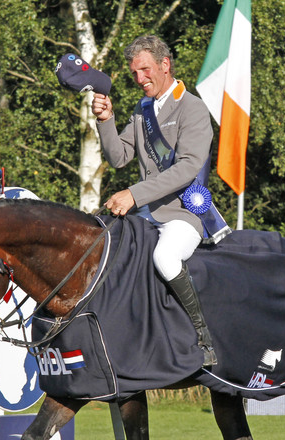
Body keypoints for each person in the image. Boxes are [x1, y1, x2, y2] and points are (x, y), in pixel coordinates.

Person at [91, 35, 217, 366]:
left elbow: (188, 168)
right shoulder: (141, 110)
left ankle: (203, 338)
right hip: (146, 215)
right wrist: (106, 121)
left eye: (145, 70)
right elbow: (119, 157)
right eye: (134, 73)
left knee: (164, 258)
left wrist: (134, 194)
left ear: (164, 65)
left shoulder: (193, 107)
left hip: (183, 215)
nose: (139, 79)